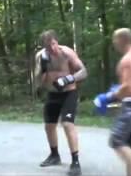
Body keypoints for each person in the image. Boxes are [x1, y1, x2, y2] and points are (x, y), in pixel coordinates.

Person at [93, 28, 131, 176]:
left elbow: (127, 87)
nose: (113, 42)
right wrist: (117, 90)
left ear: (122, 40)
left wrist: (108, 97)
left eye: (114, 39)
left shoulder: (127, 60)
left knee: (116, 140)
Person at [34, 30, 87, 176]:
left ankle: (75, 161)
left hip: (69, 93)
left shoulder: (67, 53)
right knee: (49, 126)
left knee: (67, 124)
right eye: (47, 46)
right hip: (52, 94)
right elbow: (38, 78)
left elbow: (83, 71)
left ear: (57, 42)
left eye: (53, 44)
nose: (51, 48)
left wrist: (68, 79)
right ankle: (54, 155)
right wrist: (42, 71)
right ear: (43, 46)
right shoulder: (41, 56)